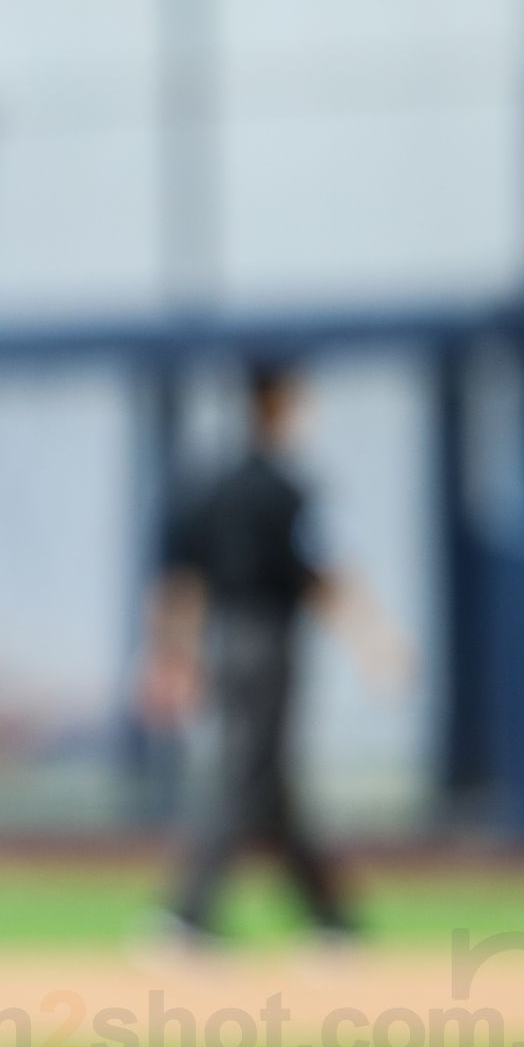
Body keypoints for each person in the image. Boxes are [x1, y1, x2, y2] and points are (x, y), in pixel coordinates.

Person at [139, 361, 410, 946]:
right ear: (278, 404)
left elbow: (179, 581)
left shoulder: (216, 486)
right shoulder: (289, 490)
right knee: (247, 776)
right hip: (268, 643)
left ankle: (329, 918)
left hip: (224, 641)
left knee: (268, 780)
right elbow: (324, 574)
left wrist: (169, 656)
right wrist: (374, 641)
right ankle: (185, 916)